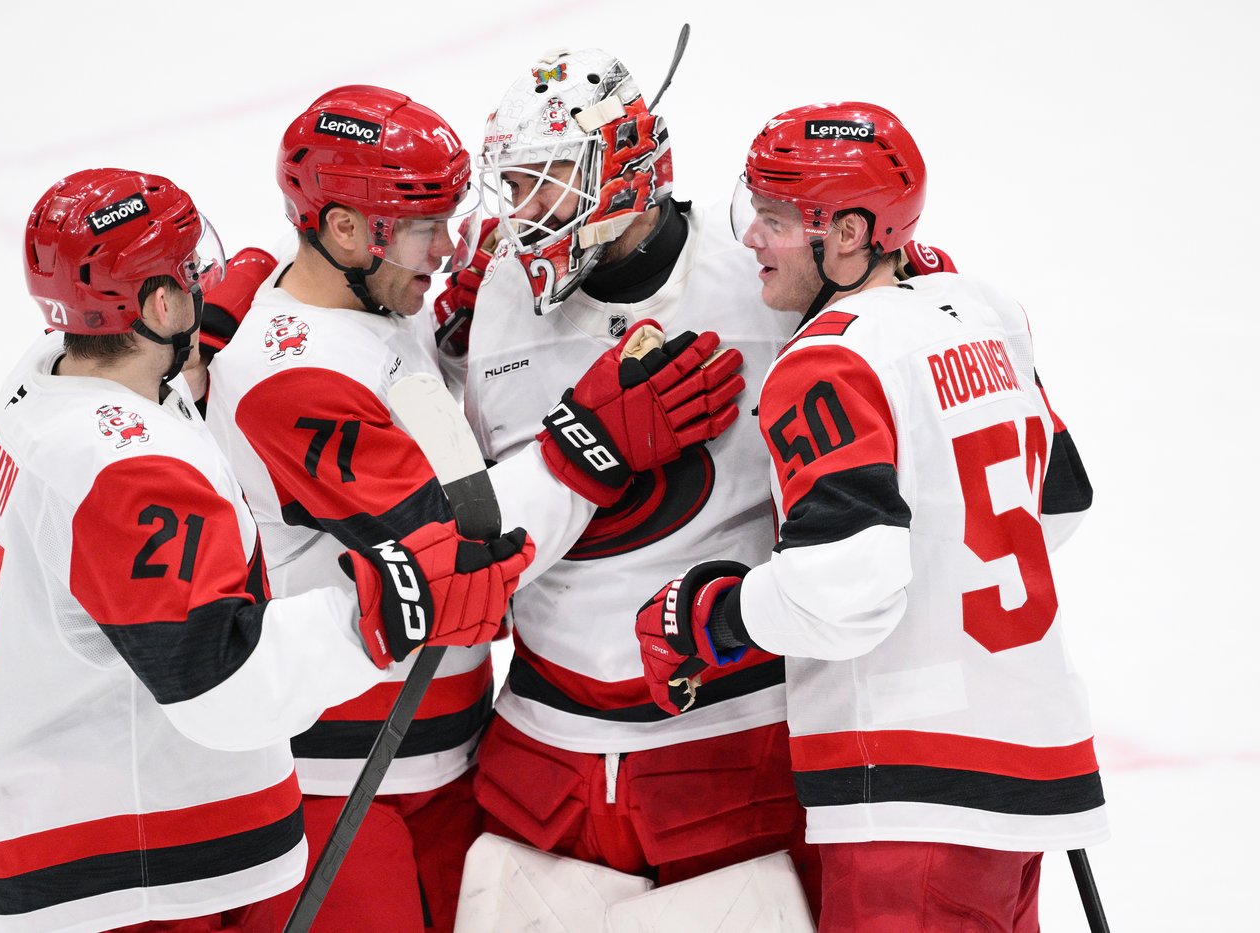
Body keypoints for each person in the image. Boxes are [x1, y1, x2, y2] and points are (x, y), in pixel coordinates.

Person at [202, 85, 741, 932]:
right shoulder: (290, 379)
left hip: (444, 765)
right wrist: (589, 442)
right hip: (342, 789)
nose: (452, 248)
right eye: (427, 227)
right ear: (345, 229)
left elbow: (413, 413)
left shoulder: (363, 298)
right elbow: (456, 558)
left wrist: (452, 345)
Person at [0, 167, 534, 933]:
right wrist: (389, 606)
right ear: (158, 306)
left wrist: (210, 327)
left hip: (92, 815)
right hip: (136, 869)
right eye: (191, 274)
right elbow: (222, 683)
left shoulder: (45, 382)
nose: (210, 280)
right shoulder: (130, 473)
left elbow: (147, 392)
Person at [635, 102, 1106, 931]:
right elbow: (1060, 503)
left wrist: (714, 616)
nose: (751, 239)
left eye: (777, 220)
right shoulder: (986, 311)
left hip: (913, 796)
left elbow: (845, 588)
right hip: (1031, 772)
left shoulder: (830, 357)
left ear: (849, 233)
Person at [452, 46, 826, 907]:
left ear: (622, 170)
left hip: (731, 750)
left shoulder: (763, 286)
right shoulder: (496, 297)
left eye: (543, 182)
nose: (520, 214)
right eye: (512, 186)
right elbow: (470, 511)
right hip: (540, 760)